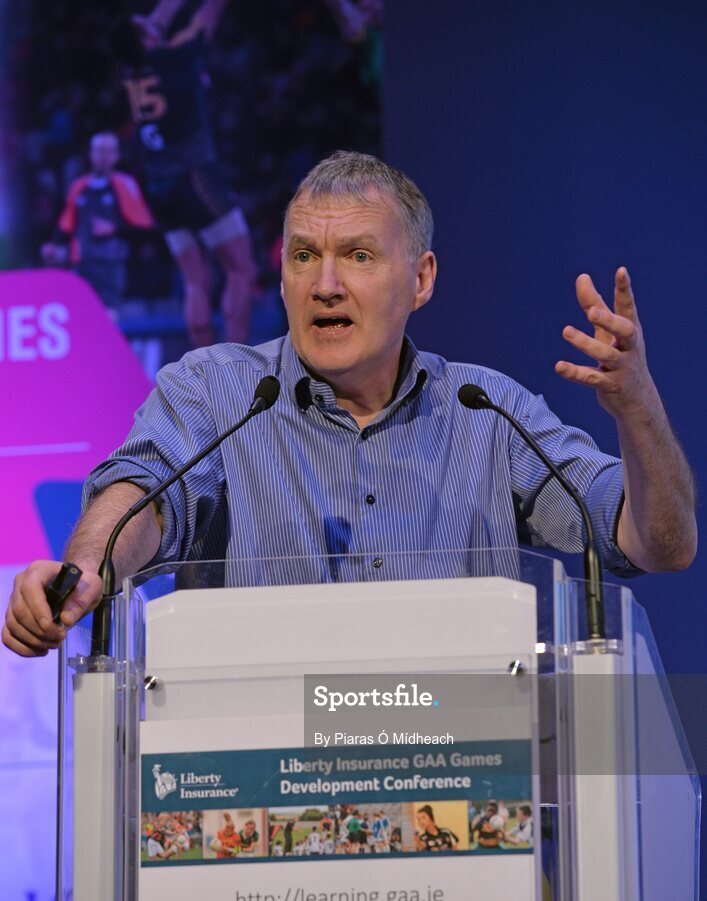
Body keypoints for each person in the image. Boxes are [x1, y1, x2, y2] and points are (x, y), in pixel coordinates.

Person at [2, 150, 697, 657]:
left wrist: (637, 411)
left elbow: (656, 543)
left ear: (420, 278)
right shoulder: (213, 392)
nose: (325, 283)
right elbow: (142, 493)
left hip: (452, 796)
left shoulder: (489, 414)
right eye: (303, 256)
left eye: (358, 256)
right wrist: (86, 569)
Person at [111, 0, 256, 347]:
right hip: (195, 178)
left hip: (159, 187)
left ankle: (203, 369)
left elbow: (156, 23)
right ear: (145, 37)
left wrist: (152, 22)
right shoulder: (175, 57)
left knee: (195, 281)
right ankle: (237, 362)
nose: (151, 19)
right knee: (241, 269)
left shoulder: (131, 69)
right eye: (143, 22)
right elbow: (207, 17)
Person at [41, 131, 154, 313]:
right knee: (79, 316)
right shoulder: (79, 186)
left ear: (117, 155)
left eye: (109, 151)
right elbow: (66, 224)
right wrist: (53, 245)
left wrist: (114, 230)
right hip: (81, 265)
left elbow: (145, 228)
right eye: (99, 151)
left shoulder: (125, 184)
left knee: (108, 317)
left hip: (111, 265)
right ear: (90, 154)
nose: (103, 157)